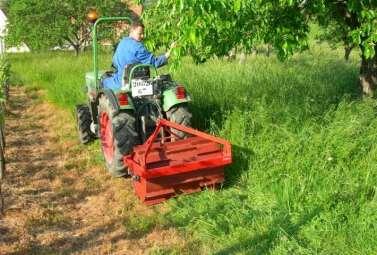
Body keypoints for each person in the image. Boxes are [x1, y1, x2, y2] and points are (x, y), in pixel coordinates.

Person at [102, 21, 174, 91]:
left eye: (143, 33)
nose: (142, 36)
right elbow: (154, 63)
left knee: (103, 81)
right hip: (135, 81)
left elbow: (115, 62)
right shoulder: (138, 47)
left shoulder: (122, 42)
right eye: (140, 33)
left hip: (122, 82)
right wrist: (167, 54)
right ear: (132, 30)